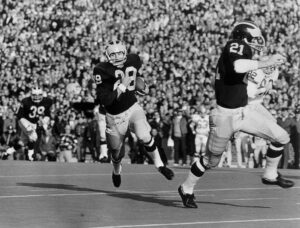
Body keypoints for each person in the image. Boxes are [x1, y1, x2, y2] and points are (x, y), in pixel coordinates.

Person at [178, 21, 294, 208]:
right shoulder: (237, 46)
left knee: (281, 137)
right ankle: (186, 188)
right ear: (243, 37)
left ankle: (270, 174)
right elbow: (239, 66)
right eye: (253, 38)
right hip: (224, 116)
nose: (257, 42)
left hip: (244, 111)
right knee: (210, 160)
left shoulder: (244, 51)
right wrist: (266, 62)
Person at [93, 39, 174, 187]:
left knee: (144, 136)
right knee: (116, 153)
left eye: (119, 53)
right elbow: (106, 100)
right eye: (113, 54)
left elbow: (137, 74)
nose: (117, 57)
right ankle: (117, 170)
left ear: (125, 52)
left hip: (132, 108)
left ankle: (160, 165)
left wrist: (141, 84)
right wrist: (123, 86)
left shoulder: (133, 59)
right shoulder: (101, 70)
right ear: (107, 55)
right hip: (114, 116)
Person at [7, 86, 53, 161]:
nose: (37, 97)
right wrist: (27, 126)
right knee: (33, 136)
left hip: (34, 124)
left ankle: (8, 152)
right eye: (35, 95)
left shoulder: (47, 101)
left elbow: (48, 114)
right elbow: (20, 116)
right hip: (24, 121)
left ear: (42, 95)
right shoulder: (26, 101)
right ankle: (30, 156)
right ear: (31, 94)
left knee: (22, 143)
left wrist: (44, 121)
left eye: (38, 95)